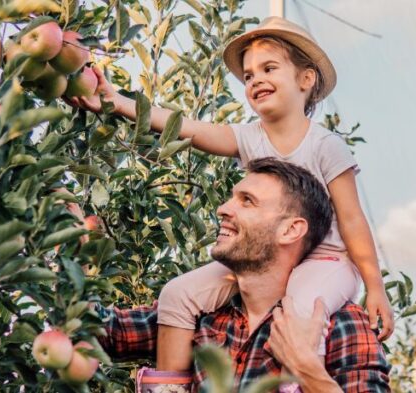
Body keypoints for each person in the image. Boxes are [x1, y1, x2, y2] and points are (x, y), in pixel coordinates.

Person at [67, 16, 394, 374]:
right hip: (270, 258)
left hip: (327, 261)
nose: (256, 80)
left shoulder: (325, 146)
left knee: (301, 312)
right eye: (249, 75)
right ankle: (168, 386)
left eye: (269, 68)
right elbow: (188, 129)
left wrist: (374, 286)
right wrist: (118, 102)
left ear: (305, 78)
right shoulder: (250, 137)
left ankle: (296, 383)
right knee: (177, 294)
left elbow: (351, 218)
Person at [97, 158, 390, 392]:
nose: (223, 209)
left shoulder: (338, 324)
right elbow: (103, 329)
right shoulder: (202, 315)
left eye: (247, 201)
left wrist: (308, 371)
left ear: (290, 230)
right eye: (231, 198)